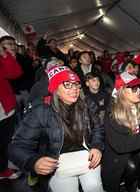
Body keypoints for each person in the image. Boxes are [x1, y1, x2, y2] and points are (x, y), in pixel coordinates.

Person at [9, 66, 104, 192]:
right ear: (55, 88)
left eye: (76, 84)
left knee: (95, 188)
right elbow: (17, 146)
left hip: (87, 160)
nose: (74, 89)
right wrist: (33, 161)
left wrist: (97, 146)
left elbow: (98, 128)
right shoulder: (41, 111)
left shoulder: (86, 103)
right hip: (57, 165)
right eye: (67, 85)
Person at [101, 73, 140, 192]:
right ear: (122, 91)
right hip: (119, 152)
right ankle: (130, 188)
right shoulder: (112, 114)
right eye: (134, 88)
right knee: (131, 166)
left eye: (139, 86)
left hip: (137, 144)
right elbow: (120, 146)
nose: (139, 90)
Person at [0, 45, 22, 179]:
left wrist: (4, 54)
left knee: (4, 140)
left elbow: (15, 73)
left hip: (5, 108)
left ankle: (3, 169)